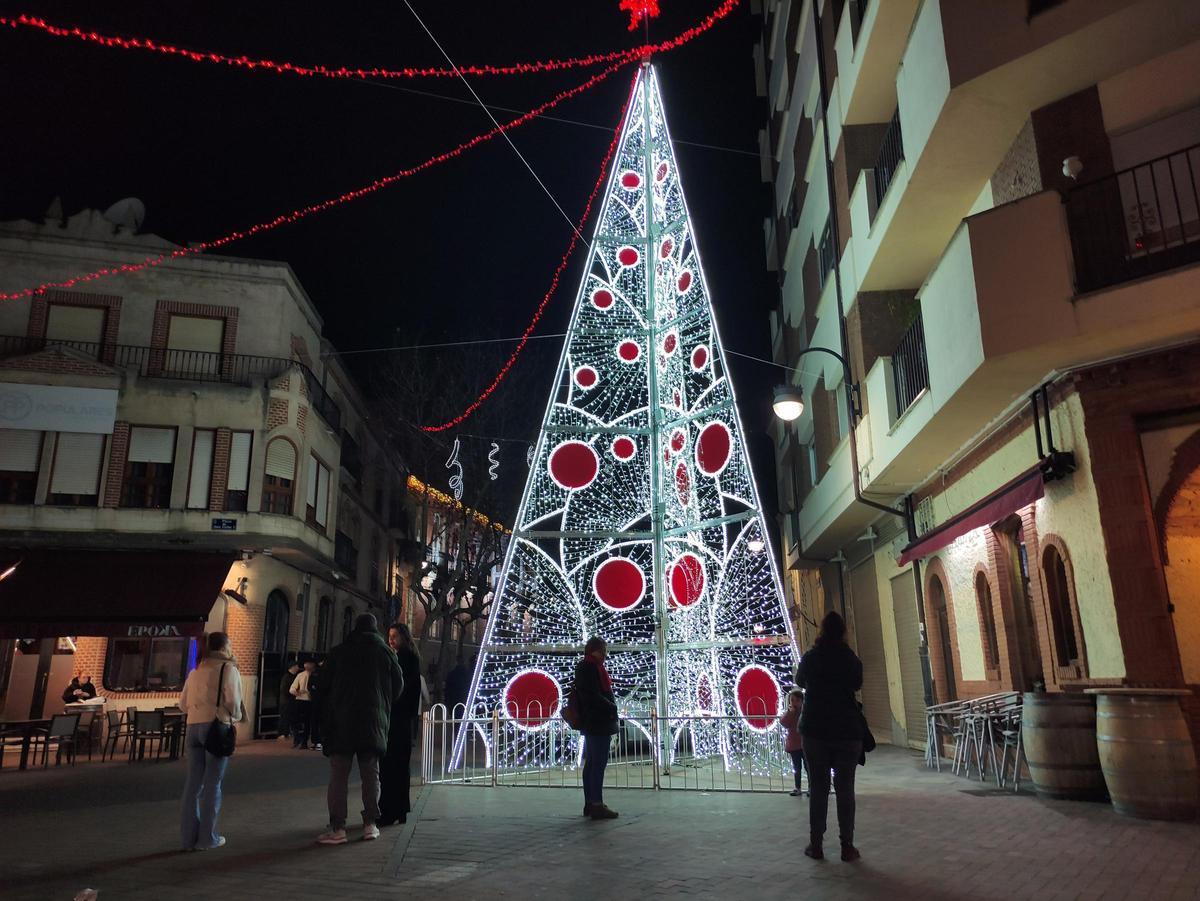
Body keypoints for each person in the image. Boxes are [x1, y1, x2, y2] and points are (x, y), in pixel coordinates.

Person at [316, 614, 404, 845]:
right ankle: (370, 824)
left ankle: (337, 827)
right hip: (373, 722)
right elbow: (398, 685)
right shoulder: (385, 652)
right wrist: (383, 703)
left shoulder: (339, 652)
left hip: (341, 722)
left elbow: (323, 686)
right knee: (371, 774)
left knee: (338, 776)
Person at [795, 611, 864, 863]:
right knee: (846, 790)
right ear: (843, 631)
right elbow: (857, 684)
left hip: (815, 731)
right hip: (846, 731)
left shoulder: (811, 657)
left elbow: (799, 680)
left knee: (819, 787)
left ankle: (816, 844)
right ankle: (847, 845)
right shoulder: (850, 658)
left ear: (821, 630)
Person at [177, 632, 243, 852]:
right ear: (224, 647)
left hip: (193, 726)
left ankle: (188, 838)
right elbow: (233, 702)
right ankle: (207, 838)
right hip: (216, 727)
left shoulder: (195, 671)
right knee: (213, 784)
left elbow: (182, 704)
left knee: (193, 785)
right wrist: (234, 716)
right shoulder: (227, 669)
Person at [379, 623, 421, 827]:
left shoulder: (401, 659)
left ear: (403, 637)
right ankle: (401, 809)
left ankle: (389, 810)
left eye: (394, 635)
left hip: (397, 718)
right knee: (400, 766)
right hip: (404, 719)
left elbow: (398, 689)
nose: (391, 639)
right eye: (389, 635)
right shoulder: (411, 658)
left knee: (391, 766)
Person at [575, 636, 619, 820]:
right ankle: (596, 804)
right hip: (597, 721)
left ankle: (590, 802)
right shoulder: (590, 668)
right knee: (597, 764)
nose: (604, 655)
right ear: (592, 650)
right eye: (602, 651)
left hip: (592, 721)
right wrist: (610, 706)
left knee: (592, 763)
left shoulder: (589, 667)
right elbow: (592, 695)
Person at [781, 688, 806, 797]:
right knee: (797, 767)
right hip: (794, 744)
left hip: (805, 744)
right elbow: (784, 723)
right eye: (792, 700)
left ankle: (811, 788)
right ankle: (797, 787)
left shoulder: (805, 711)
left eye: (797, 700)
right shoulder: (789, 712)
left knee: (808, 767)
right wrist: (790, 713)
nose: (794, 703)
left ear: (802, 701)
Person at [289, 660, 316, 749]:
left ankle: (301, 740)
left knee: (302, 721)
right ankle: (301, 740)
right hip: (304, 700)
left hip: (304, 700)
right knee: (302, 722)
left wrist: (298, 693)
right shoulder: (304, 675)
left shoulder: (305, 675)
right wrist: (298, 693)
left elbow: (292, 689)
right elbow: (292, 689)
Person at [277, 662, 300, 741]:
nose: (298, 668)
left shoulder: (294, 676)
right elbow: (284, 690)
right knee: (284, 717)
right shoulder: (286, 677)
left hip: (290, 701)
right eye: (296, 666)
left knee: (289, 717)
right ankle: (282, 733)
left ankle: (287, 733)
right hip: (286, 701)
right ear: (292, 667)